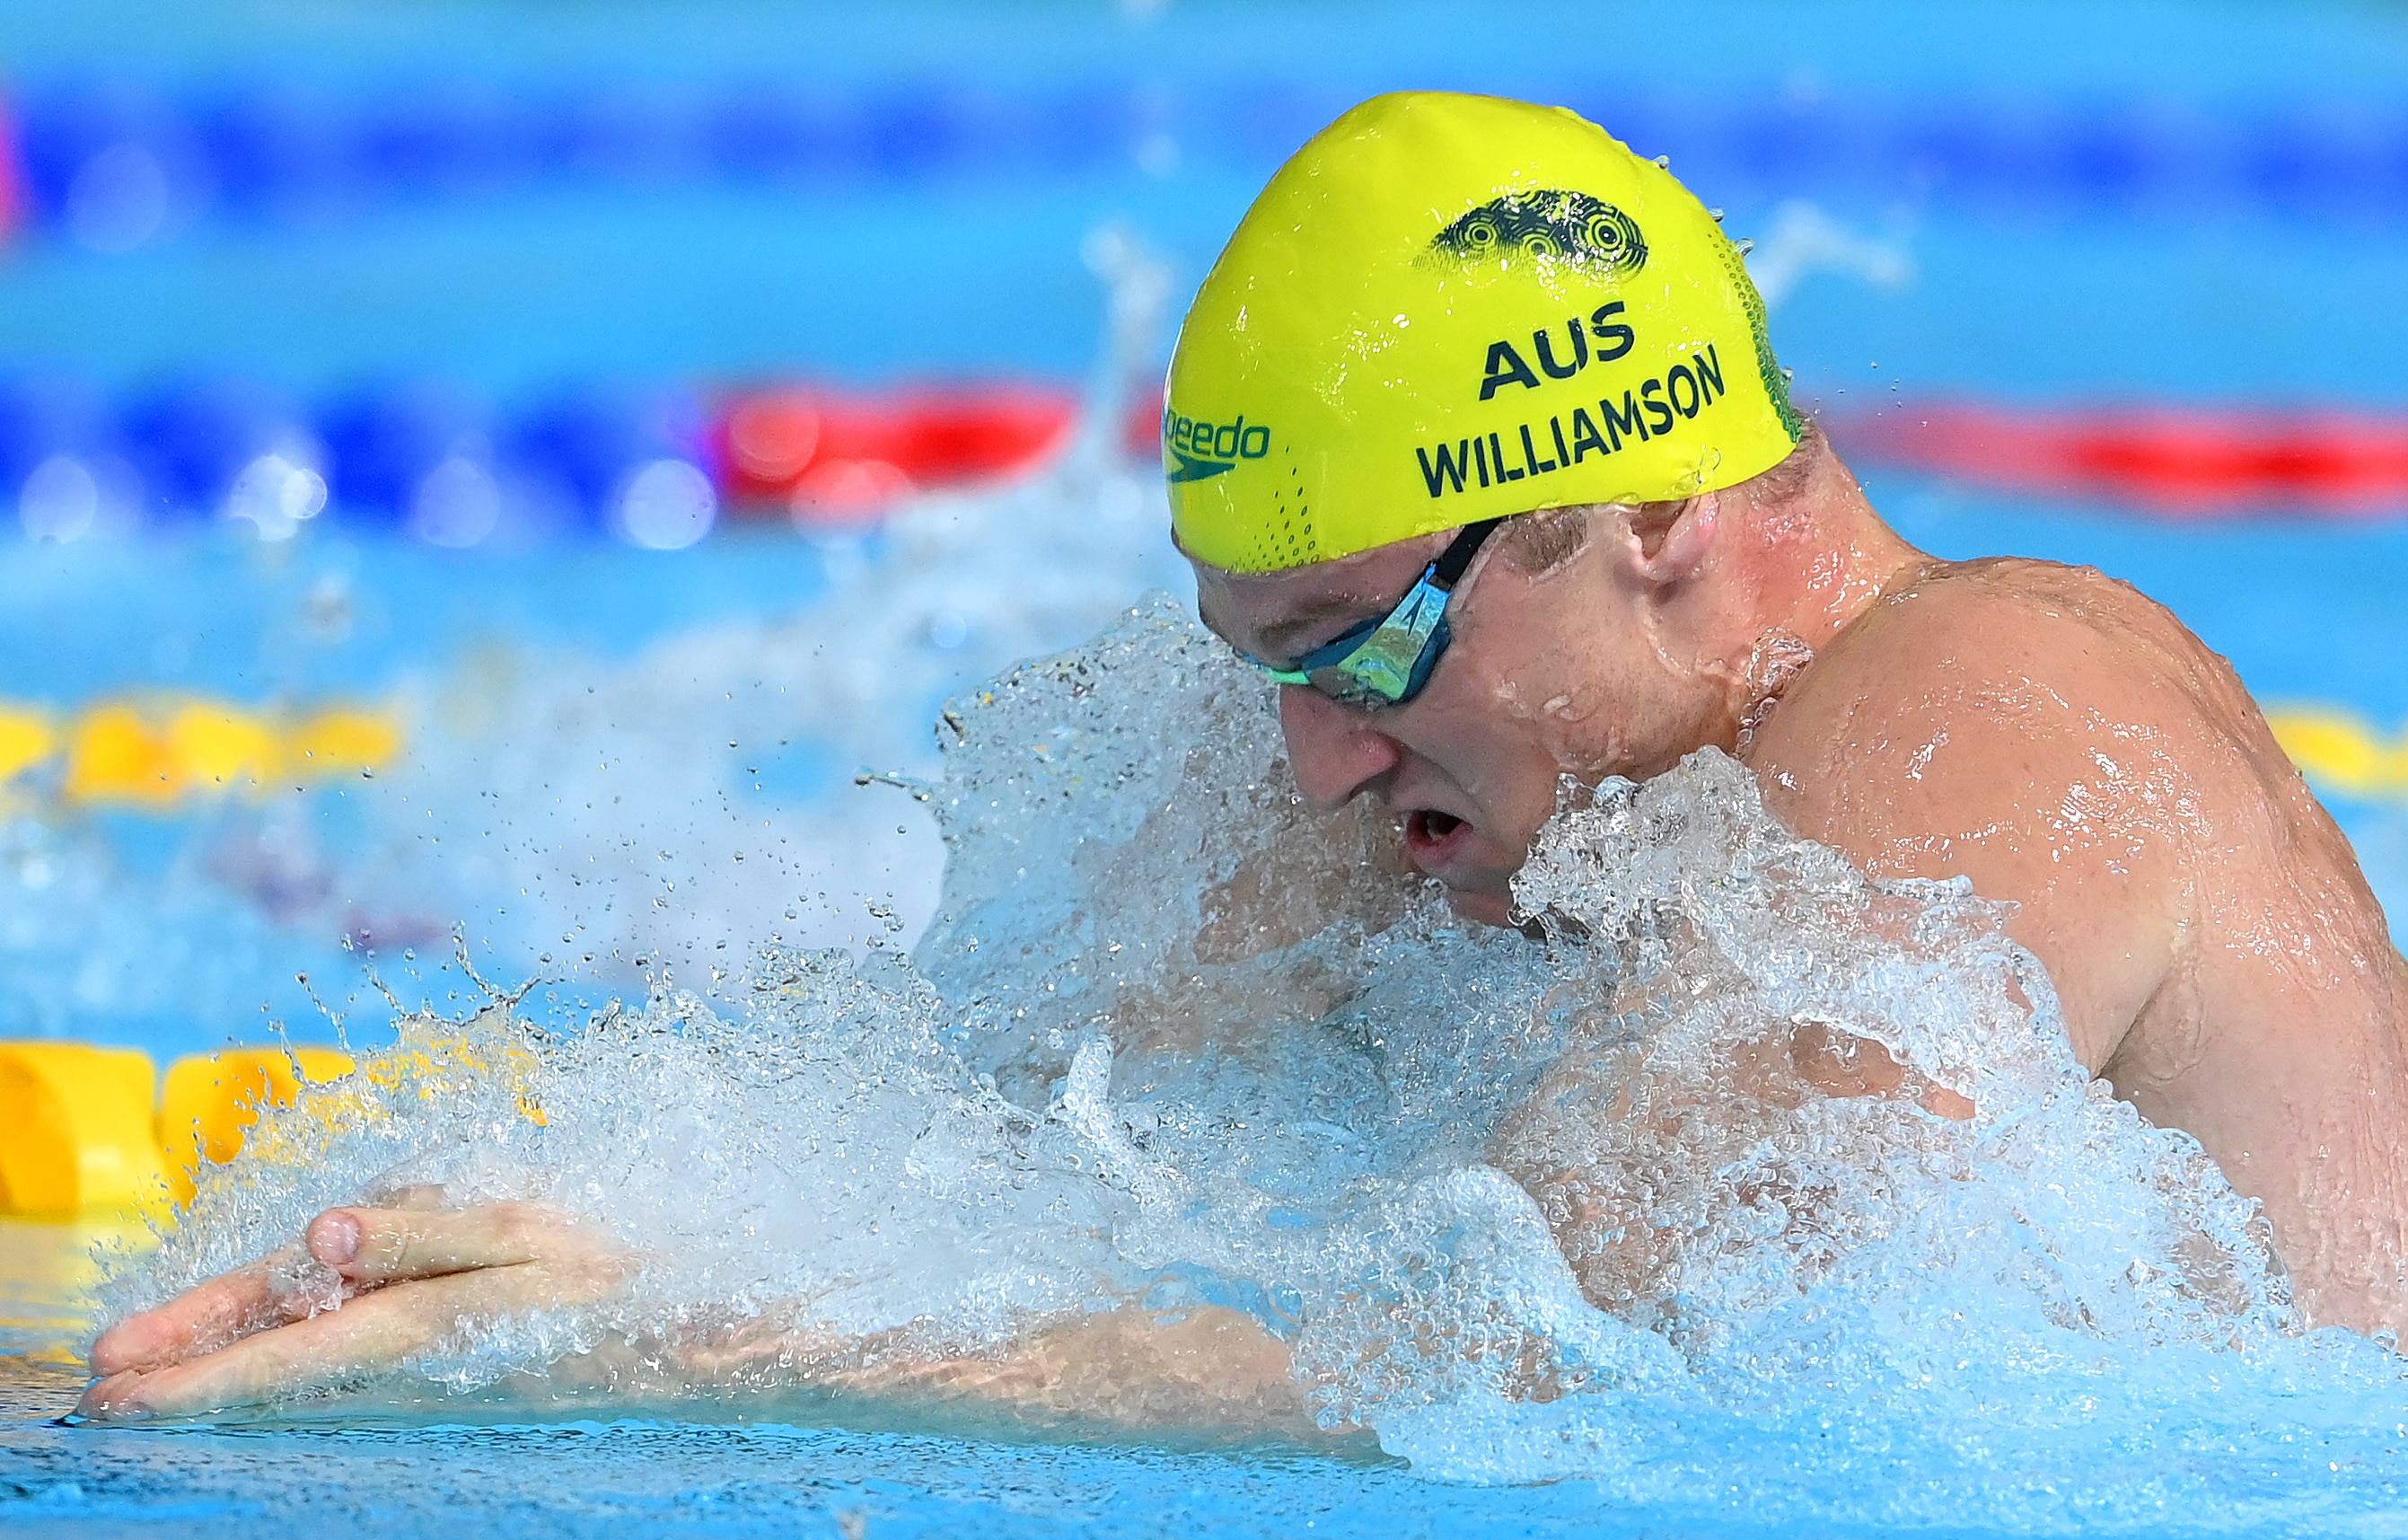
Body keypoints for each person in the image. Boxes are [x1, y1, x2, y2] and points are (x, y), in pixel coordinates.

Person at [78, 91, 2408, 1427]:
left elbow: (1538, 1367)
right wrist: (371, 1284)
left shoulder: (1985, 708)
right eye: (1261, 658)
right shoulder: (1492, 767)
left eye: (1358, 644)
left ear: (1654, 521)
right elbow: (978, 1132)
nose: (1305, 760)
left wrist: (677, 1357)